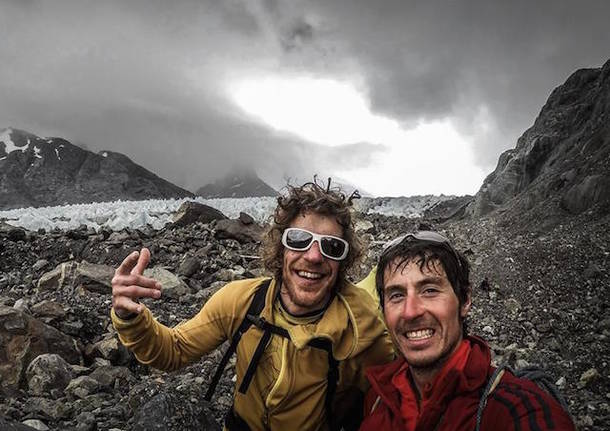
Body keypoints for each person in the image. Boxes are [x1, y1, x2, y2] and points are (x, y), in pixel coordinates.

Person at [110, 180, 394, 431]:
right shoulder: (242, 301)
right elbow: (173, 351)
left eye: (331, 246)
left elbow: (391, 396)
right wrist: (129, 316)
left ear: (343, 260)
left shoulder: (361, 328)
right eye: (298, 240)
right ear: (280, 250)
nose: (314, 256)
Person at [358, 231, 575, 431]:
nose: (410, 312)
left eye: (430, 290)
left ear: (465, 300)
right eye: (396, 295)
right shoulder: (377, 398)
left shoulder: (517, 409)